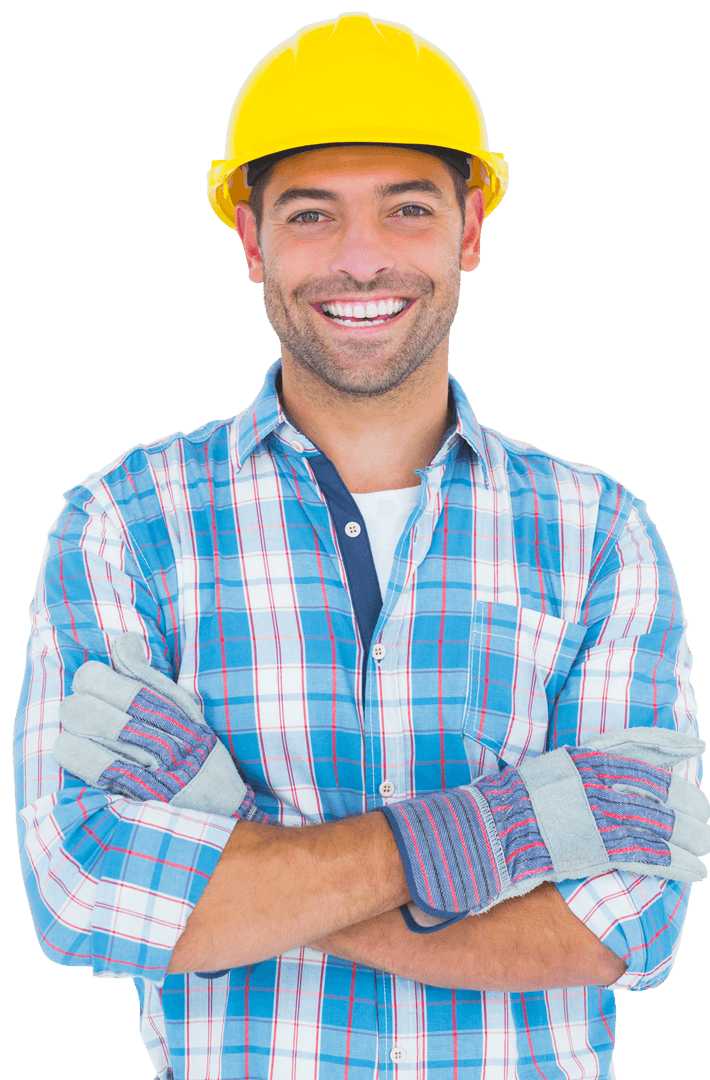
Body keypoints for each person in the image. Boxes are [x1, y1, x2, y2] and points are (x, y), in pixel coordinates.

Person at [13, 12, 708, 1080]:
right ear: (251, 242)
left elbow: (623, 927)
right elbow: (85, 897)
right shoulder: (125, 523)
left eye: (407, 208)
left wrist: (231, 838)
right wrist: (504, 830)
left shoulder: (597, 532)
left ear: (468, 230)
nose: (360, 260)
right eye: (310, 215)